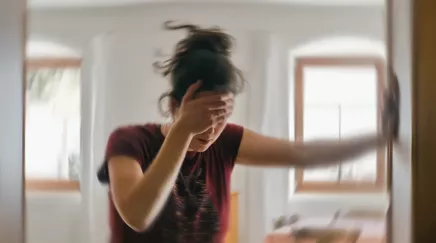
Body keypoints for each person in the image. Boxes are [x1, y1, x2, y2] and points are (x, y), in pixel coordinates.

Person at [97, 21, 399, 243]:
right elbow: (137, 216)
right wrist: (183, 132)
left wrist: (380, 137)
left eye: (220, 116)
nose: (210, 129)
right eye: (201, 115)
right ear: (174, 106)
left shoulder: (227, 140)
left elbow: (303, 153)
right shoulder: (130, 141)